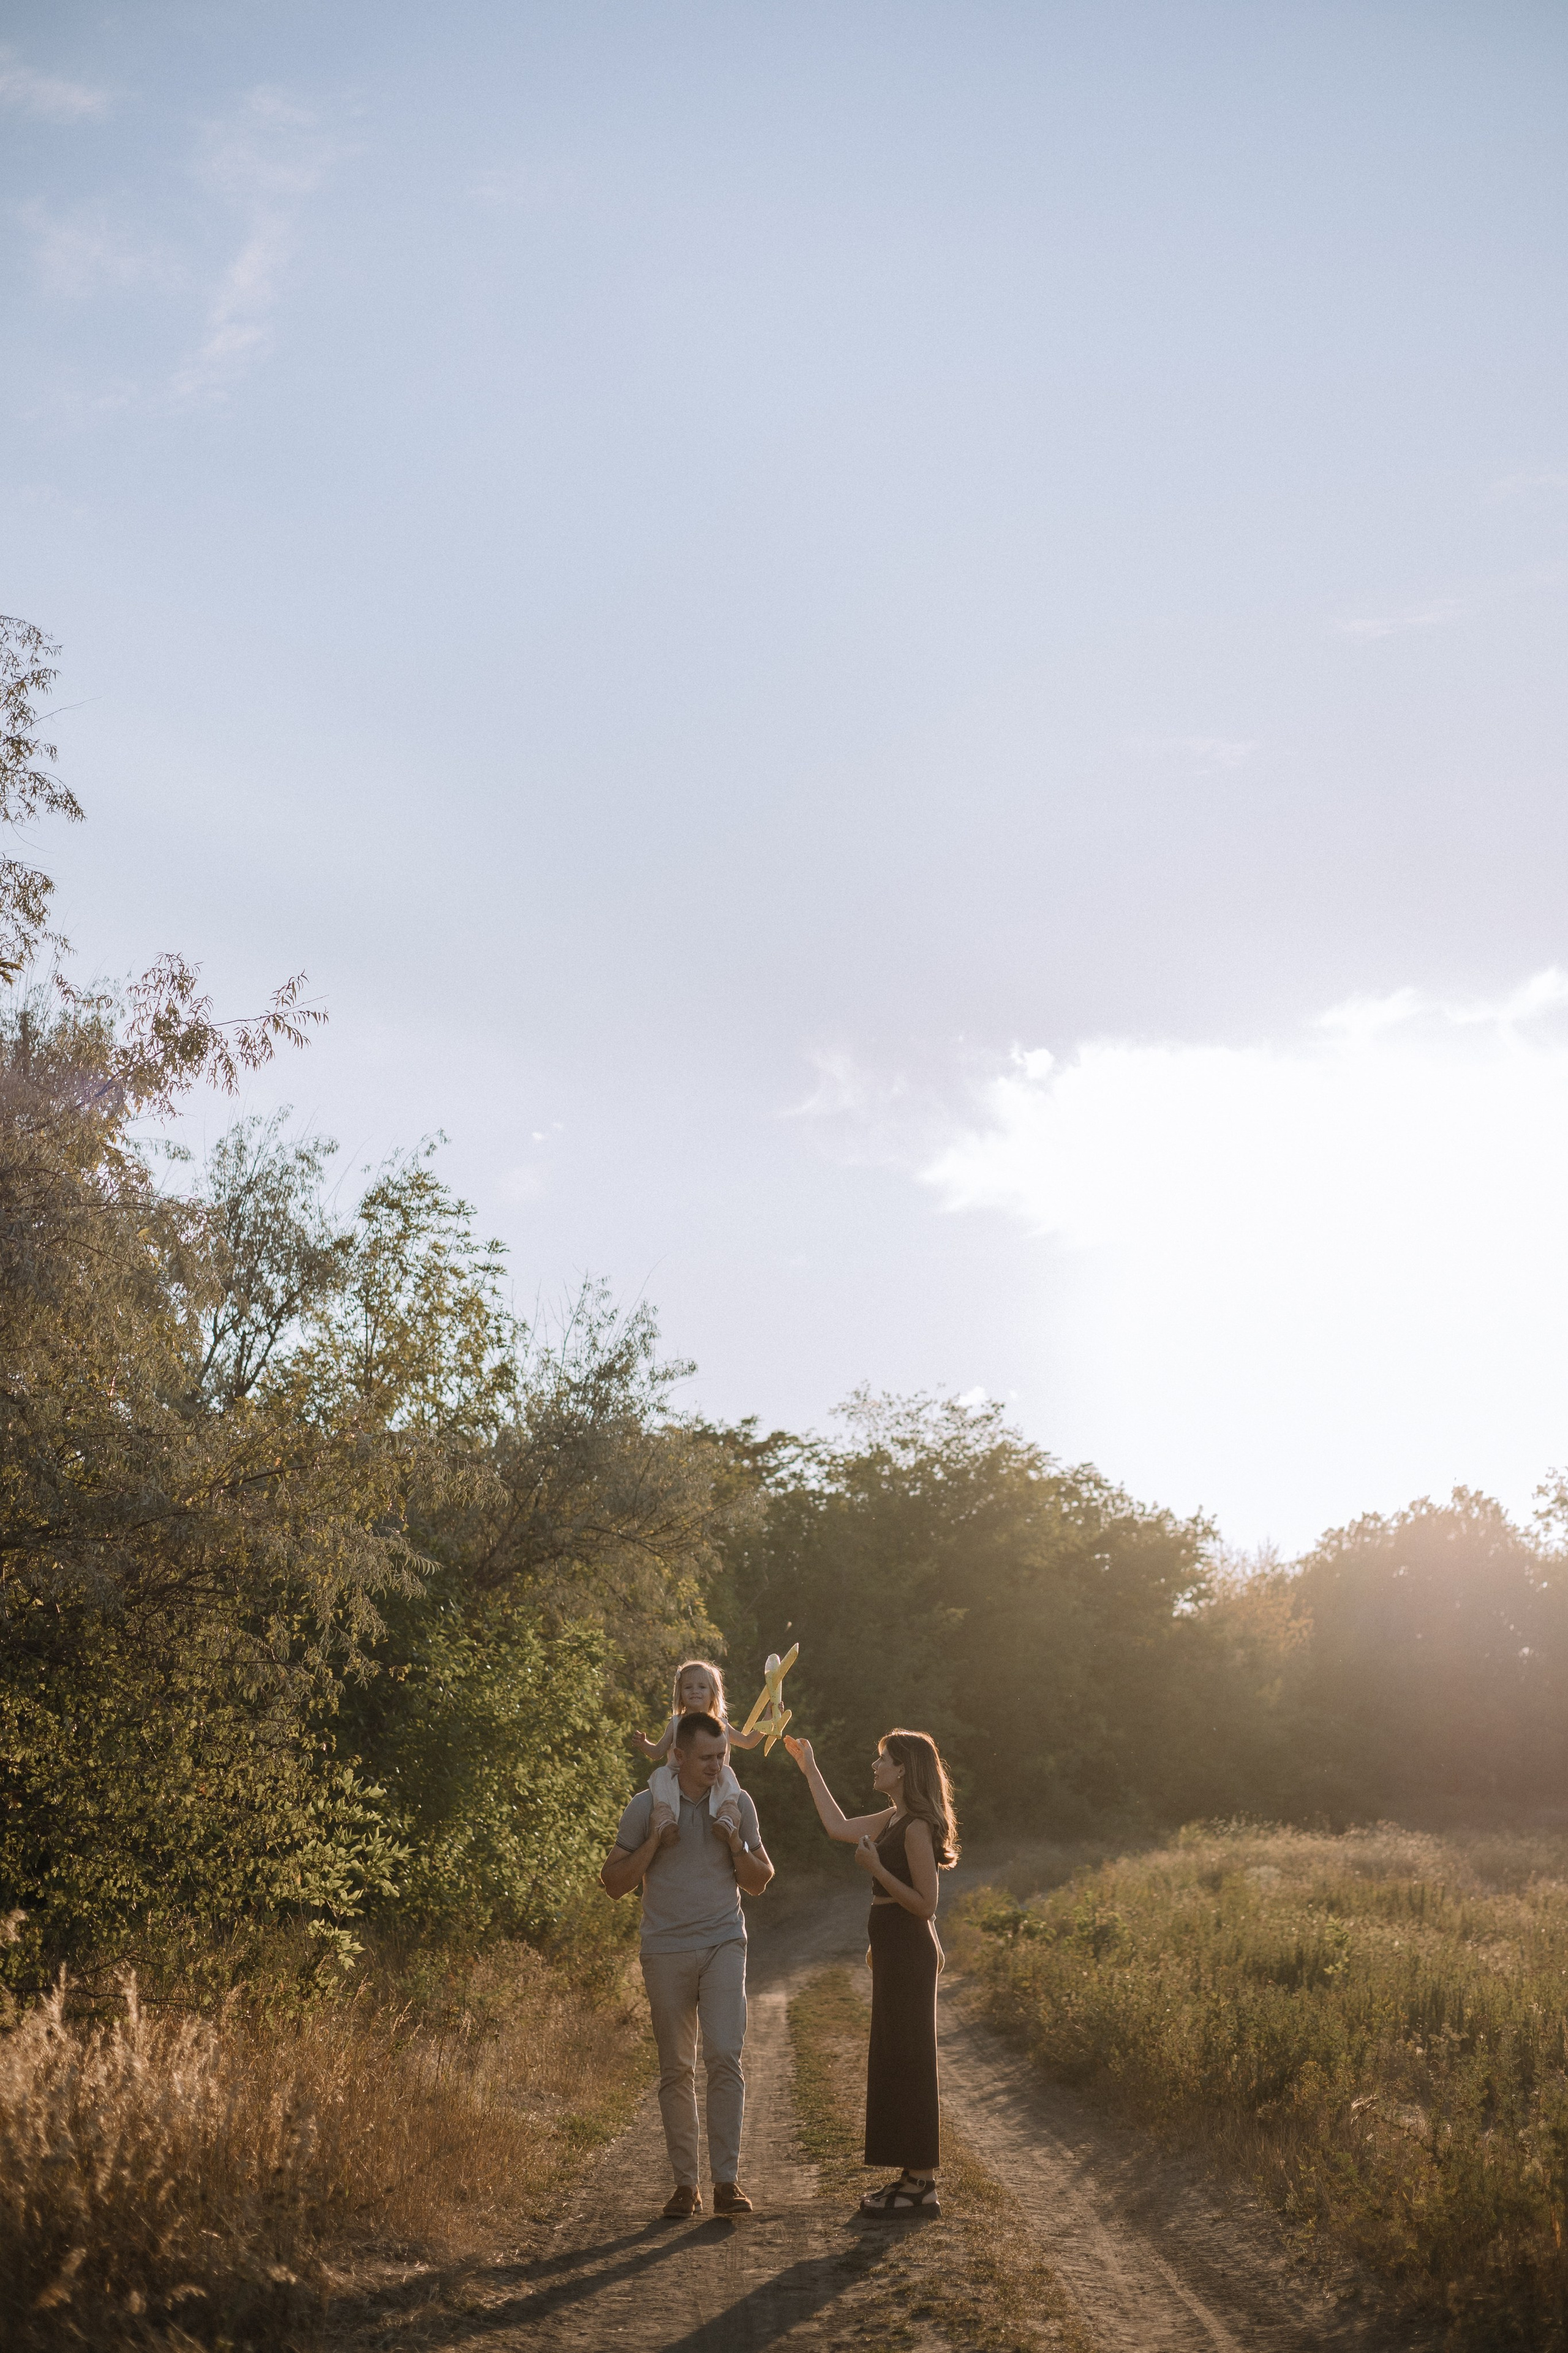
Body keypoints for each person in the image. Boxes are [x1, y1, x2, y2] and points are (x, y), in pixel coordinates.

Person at [601, 1710, 775, 2218]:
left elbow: (761, 1879)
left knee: (724, 2055)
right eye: (706, 1757)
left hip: (725, 1942)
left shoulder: (737, 1802)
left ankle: (727, 2182)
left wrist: (735, 1842)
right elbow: (613, 1883)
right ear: (677, 1756)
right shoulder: (646, 1805)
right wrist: (655, 1841)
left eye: (722, 1756)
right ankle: (685, 2185)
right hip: (665, 1949)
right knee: (676, 2067)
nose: (717, 1765)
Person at [784, 1726, 959, 2215]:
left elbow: (926, 1904)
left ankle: (922, 2185)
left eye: (882, 1758)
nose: (875, 1764)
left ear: (903, 1769)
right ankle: (910, 2177)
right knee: (894, 2058)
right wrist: (810, 1767)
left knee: (912, 2059)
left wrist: (877, 1870)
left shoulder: (918, 1826)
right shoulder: (894, 1816)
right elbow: (838, 1826)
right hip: (894, 1949)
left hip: (908, 1950)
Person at [635, 1658, 763, 1845]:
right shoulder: (676, 1723)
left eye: (702, 1687)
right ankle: (665, 1820)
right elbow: (658, 1752)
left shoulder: (722, 1725)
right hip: (678, 1776)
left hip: (713, 1774)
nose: (695, 1691)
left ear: (713, 1694)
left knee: (727, 1773)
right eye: (688, 1687)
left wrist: (768, 1722)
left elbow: (748, 1742)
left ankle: (726, 1818)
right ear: (680, 1695)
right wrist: (644, 1743)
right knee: (660, 1774)